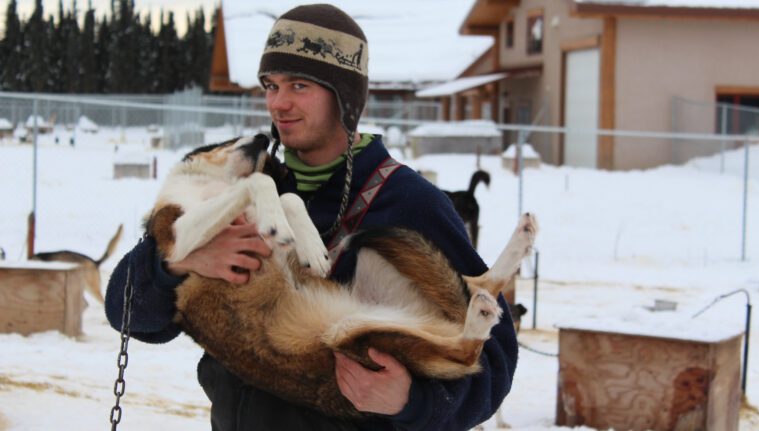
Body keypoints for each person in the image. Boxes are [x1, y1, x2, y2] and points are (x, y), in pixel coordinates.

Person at [105, 4, 518, 430]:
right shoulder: (240, 185)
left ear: (345, 98)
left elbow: (495, 361)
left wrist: (412, 402)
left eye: (299, 85)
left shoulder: (409, 201)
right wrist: (176, 264)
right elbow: (126, 311)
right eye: (271, 85)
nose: (278, 103)